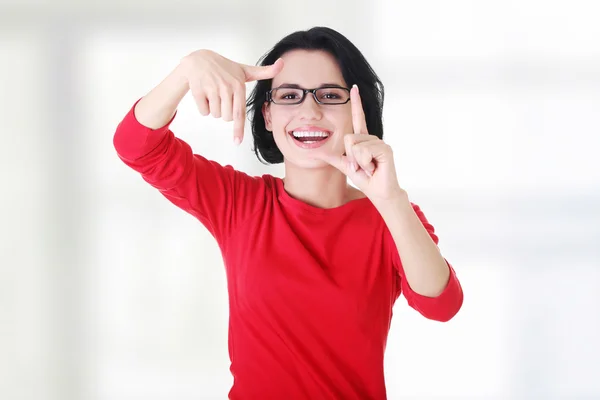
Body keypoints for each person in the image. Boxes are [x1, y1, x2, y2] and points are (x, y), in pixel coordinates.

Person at [113, 26, 463, 400]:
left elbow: (442, 305)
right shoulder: (239, 202)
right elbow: (136, 146)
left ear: (357, 111)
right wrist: (187, 70)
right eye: (289, 96)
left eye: (330, 95)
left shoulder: (391, 216)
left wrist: (390, 198)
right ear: (266, 114)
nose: (309, 111)